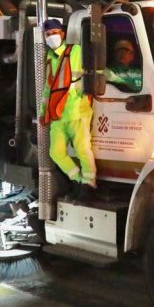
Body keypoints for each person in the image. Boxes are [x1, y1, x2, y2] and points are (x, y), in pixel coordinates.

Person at [39, 18, 97, 195]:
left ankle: (89, 184)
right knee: (56, 153)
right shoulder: (49, 58)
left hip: (78, 112)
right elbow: (48, 89)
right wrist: (43, 113)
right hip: (58, 115)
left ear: (62, 34)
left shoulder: (76, 51)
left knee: (83, 150)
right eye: (48, 35)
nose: (52, 37)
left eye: (55, 33)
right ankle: (79, 180)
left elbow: (94, 72)